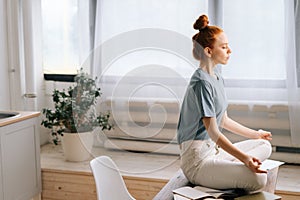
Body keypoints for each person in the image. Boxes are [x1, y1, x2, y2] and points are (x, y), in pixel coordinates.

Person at [177, 14, 273, 191]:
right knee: (259, 180)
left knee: (264, 145)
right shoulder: (201, 82)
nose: (230, 51)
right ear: (208, 51)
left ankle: (228, 170)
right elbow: (213, 131)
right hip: (197, 161)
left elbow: (223, 120)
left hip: (214, 152)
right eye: (224, 47)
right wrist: (244, 158)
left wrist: (255, 134)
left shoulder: (217, 77)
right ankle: (228, 170)